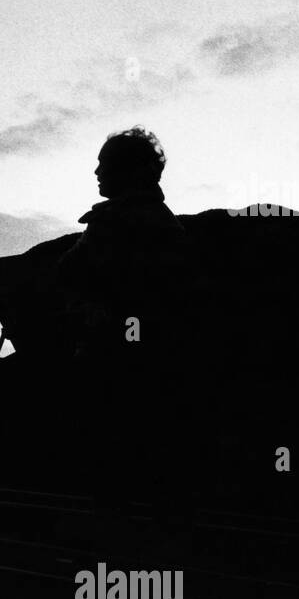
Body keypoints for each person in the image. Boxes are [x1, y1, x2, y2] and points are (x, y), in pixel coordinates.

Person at [56, 127, 193, 517]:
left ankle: (114, 536)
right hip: (154, 354)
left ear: (127, 171)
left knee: (109, 449)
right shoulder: (164, 222)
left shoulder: (114, 222)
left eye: (104, 165)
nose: (96, 173)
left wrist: (88, 314)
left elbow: (68, 271)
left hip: (112, 354)